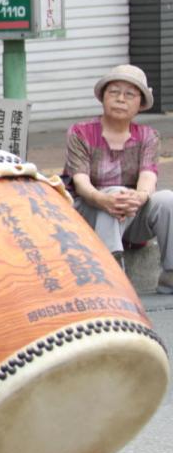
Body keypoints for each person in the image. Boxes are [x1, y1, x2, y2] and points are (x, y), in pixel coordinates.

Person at [64, 64, 173, 291]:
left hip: (131, 212)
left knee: (167, 200)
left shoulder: (148, 136)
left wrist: (139, 197)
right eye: (113, 92)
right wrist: (104, 199)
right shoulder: (80, 132)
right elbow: (80, 182)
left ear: (140, 104)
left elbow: (148, 176)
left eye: (129, 94)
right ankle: (112, 278)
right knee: (115, 193)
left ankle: (170, 274)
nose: (120, 99)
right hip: (88, 212)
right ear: (103, 98)